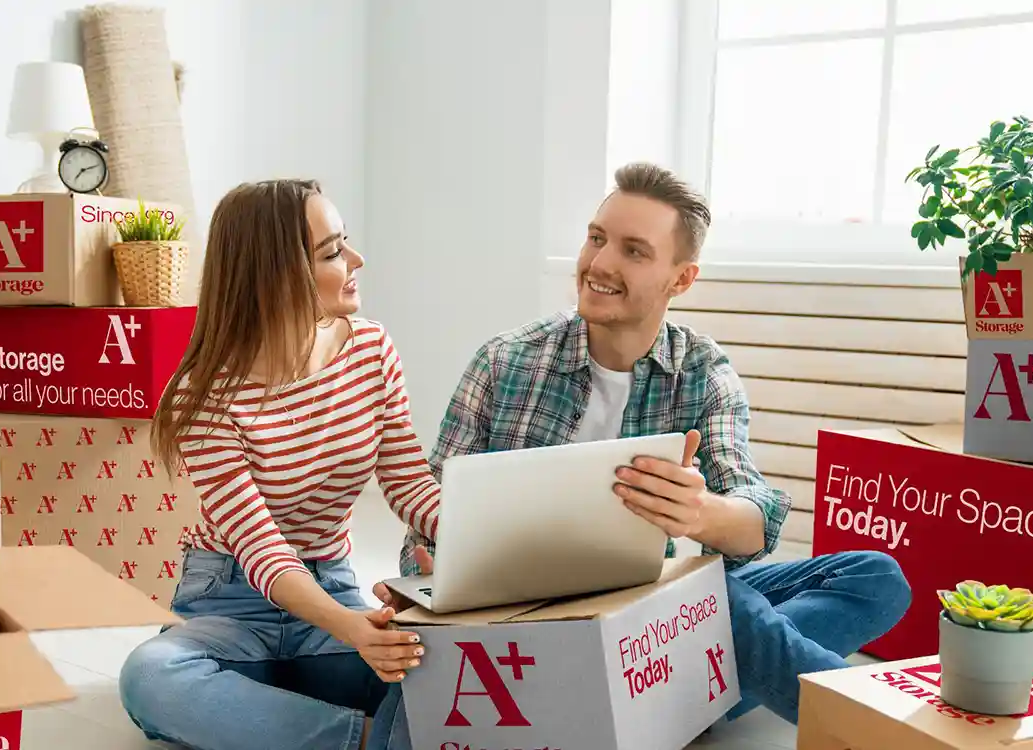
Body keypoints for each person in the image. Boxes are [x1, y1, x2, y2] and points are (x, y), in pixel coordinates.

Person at [379, 162, 912, 727]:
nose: (600, 263)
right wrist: (436, 564)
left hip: (643, 613)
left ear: (681, 279)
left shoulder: (703, 372)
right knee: (721, 605)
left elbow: (755, 517)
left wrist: (698, 512)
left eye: (634, 251)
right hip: (519, 613)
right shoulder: (504, 361)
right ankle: (863, 725)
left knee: (874, 578)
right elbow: (428, 509)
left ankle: (664, 698)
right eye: (597, 238)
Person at [118, 179, 432, 750]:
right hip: (229, 600)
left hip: (330, 587)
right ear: (277, 275)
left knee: (437, 668)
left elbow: (410, 483)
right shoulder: (203, 396)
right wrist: (355, 632)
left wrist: (488, 541)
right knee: (149, 675)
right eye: (333, 252)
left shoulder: (371, 351)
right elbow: (261, 549)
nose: (357, 260)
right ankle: (361, 743)